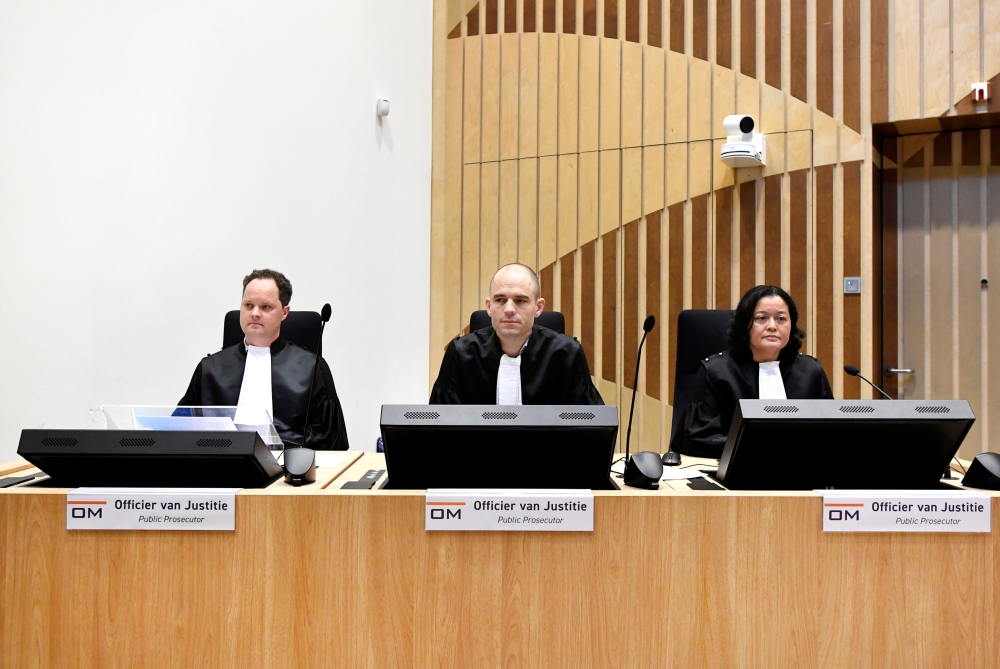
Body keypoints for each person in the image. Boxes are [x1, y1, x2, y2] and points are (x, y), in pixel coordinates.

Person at [179, 269, 349, 450]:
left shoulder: (312, 368)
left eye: (265, 307)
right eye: (249, 305)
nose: (255, 313)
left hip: (290, 473)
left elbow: (329, 440)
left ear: (284, 312)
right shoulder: (209, 369)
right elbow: (180, 431)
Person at [672, 284, 833, 458]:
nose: (772, 326)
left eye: (781, 319)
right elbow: (697, 438)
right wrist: (754, 447)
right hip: (734, 471)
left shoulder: (811, 371)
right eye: (762, 318)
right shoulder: (716, 372)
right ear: (745, 324)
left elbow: (833, 431)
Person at [430, 263, 603, 405]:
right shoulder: (460, 354)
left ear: (538, 307)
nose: (509, 309)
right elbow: (440, 429)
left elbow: (591, 426)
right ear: (489, 307)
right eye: (500, 300)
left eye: (520, 301)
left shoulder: (568, 354)